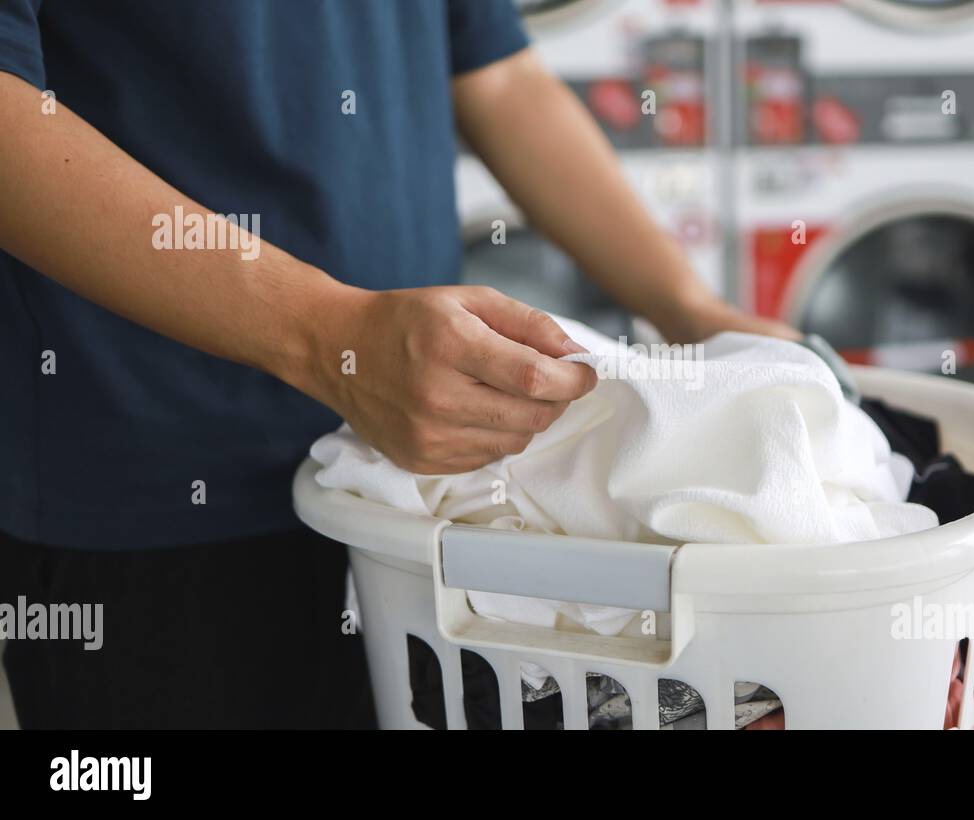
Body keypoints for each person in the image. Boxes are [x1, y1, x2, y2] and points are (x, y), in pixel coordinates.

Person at [0, 0, 794, 728]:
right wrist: (329, 338)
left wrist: (690, 309)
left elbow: (498, 73)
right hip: (157, 494)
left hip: (427, 500)